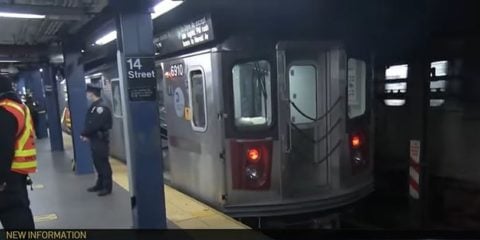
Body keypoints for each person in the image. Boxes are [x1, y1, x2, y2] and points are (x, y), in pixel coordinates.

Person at [0, 75, 36, 229]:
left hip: (8, 176)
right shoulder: (18, 107)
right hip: (17, 173)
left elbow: (3, 148)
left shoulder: (5, 111)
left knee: (15, 217)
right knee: (20, 212)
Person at [81, 84, 113, 196]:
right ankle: (100, 184)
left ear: (91, 93)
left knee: (103, 163)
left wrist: (85, 133)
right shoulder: (96, 106)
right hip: (96, 139)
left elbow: (94, 124)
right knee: (97, 162)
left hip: (100, 140)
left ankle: (107, 186)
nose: (87, 95)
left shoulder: (101, 108)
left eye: (88, 93)